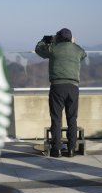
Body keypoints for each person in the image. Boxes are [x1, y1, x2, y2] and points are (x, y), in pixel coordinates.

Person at [35, 28, 87, 157]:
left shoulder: (53, 48)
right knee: (72, 119)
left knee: (56, 119)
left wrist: (45, 40)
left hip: (57, 87)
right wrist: (73, 44)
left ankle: (57, 149)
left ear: (58, 38)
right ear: (70, 38)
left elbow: (38, 49)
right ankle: (71, 149)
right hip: (73, 87)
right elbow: (83, 55)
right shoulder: (77, 49)